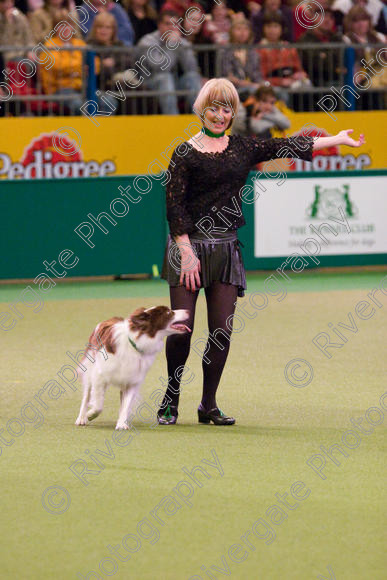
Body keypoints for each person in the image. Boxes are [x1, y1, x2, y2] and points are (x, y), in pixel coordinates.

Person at [157, 77, 365, 426]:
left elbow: (289, 145)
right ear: (201, 110)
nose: (220, 115)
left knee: (221, 330)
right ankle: (170, 399)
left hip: (226, 247)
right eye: (213, 108)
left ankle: (208, 405)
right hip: (188, 248)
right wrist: (185, 250)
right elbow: (174, 206)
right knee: (183, 328)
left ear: (233, 112)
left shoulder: (242, 147)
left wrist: (337, 139)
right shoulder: (184, 152)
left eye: (226, 108)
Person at [137, 10, 202, 114]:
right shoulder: (147, 41)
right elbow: (160, 68)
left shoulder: (179, 40)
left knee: (192, 77)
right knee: (165, 78)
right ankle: (172, 120)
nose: (172, 28)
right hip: (148, 84)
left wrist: (182, 46)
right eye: (167, 24)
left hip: (173, 83)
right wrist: (172, 45)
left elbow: (191, 68)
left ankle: (201, 120)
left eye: (175, 24)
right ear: (159, 25)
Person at [220, 18, 263, 99]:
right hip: (232, 89)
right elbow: (229, 77)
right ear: (231, 32)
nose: (242, 32)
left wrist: (262, 85)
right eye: (238, 29)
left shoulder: (253, 53)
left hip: (251, 87)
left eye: (246, 29)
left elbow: (257, 76)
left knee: (274, 91)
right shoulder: (225, 52)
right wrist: (250, 84)